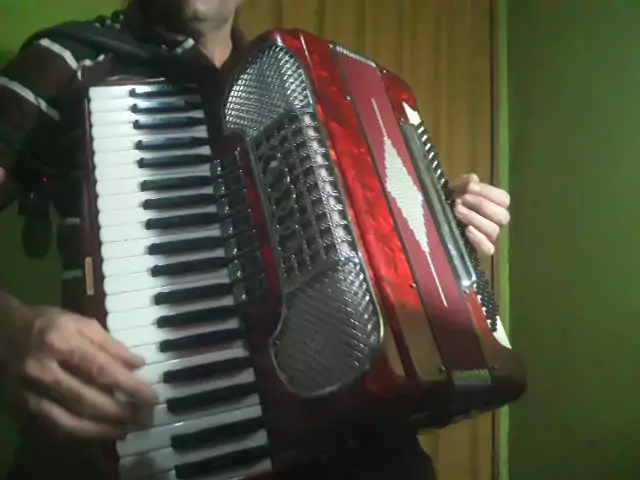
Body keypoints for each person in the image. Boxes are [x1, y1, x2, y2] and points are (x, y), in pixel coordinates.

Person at [0, 1, 512, 479]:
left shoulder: (296, 81)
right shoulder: (69, 60)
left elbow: (359, 263)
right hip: (169, 440)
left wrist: (438, 231)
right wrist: (10, 330)